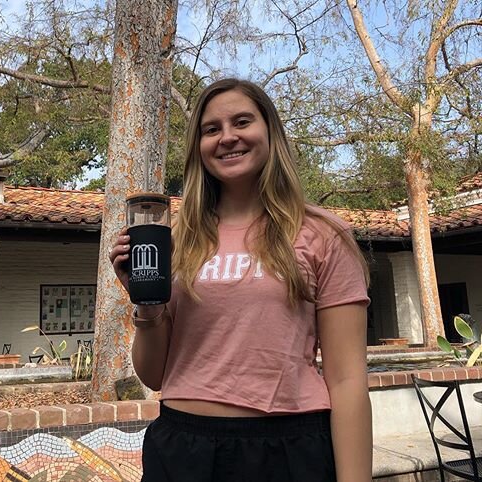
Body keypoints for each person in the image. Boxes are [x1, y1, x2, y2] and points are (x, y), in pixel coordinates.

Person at [109, 78, 372, 482]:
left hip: (287, 448)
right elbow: (156, 376)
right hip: (182, 446)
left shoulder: (322, 233)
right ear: (199, 147)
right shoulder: (176, 239)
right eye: (211, 129)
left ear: (270, 132)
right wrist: (146, 303)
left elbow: (348, 379)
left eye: (242, 122)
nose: (227, 137)